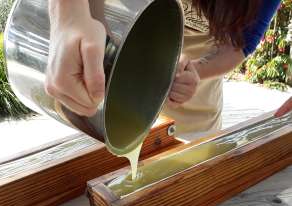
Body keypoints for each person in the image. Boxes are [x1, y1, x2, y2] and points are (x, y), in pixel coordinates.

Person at [45, 0, 281, 139]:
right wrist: (69, 17)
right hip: (118, 64)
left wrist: (194, 71)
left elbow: (239, 46)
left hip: (193, 106)